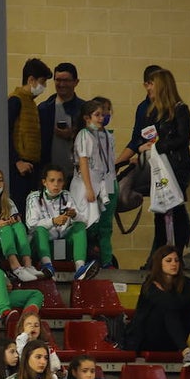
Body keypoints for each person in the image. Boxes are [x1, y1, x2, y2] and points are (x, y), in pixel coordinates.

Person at [131, 69, 190, 254]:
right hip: (158, 167)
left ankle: (175, 251)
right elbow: (144, 136)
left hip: (176, 167)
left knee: (174, 207)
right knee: (160, 210)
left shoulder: (180, 109)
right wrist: (142, 147)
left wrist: (157, 147)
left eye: (151, 84)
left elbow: (182, 138)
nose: (148, 87)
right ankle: (160, 254)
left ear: (161, 86)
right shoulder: (153, 111)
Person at [127, 245, 190, 366]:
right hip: (148, 338)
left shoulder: (187, 282)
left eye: (176, 260)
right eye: (168, 260)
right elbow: (171, 303)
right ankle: (186, 353)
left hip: (171, 339)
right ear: (159, 263)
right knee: (169, 308)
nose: (173, 264)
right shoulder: (150, 284)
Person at [71, 99, 117, 270]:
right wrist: (89, 188)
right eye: (97, 115)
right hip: (86, 185)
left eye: (103, 114)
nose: (102, 118)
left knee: (101, 224)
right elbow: (83, 162)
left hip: (101, 183)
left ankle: (103, 260)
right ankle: (80, 262)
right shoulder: (84, 134)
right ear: (86, 117)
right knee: (84, 223)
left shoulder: (102, 135)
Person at [25, 164, 93, 280]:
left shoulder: (66, 195)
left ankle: (80, 268)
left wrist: (75, 215)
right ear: (44, 182)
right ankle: (47, 267)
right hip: (41, 247)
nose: (56, 184)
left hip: (62, 246)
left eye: (59, 180)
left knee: (80, 225)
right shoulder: (34, 197)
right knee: (40, 229)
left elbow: (85, 221)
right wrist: (53, 221)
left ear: (63, 183)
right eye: (52, 180)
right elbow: (31, 225)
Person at [7, 58, 52, 212]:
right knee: (20, 208)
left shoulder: (31, 103)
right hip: (19, 166)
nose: (44, 86)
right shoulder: (15, 100)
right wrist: (17, 161)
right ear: (31, 79)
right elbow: (6, 132)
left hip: (32, 166)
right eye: (42, 82)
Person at [38, 62, 86, 174]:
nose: (62, 84)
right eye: (58, 80)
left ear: (76, 82)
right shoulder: (43, 109)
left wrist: (72, 135)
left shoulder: (84, 109)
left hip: (78, 172)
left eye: (66, 80)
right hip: (49, 173)